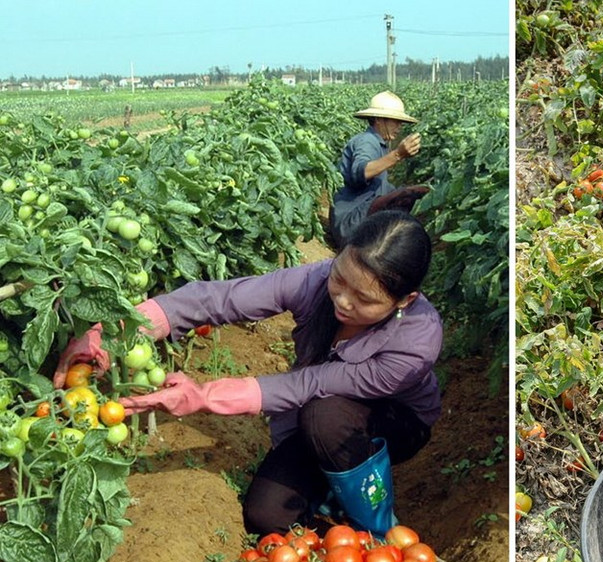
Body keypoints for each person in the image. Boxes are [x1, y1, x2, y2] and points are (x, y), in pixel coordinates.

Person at [54, 211, 442, 537]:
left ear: (404, 301)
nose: (342, 300)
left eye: (364, 299)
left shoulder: (416, 342)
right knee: (266, 516)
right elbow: (222, 298)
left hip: (393, 421)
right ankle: (334, 518)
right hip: (318, 413)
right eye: (339, 278)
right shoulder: (314, 281)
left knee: (324, 415)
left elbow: (311, 384)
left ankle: (377, 527)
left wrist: (203, 397)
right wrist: (113, 331)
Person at [329, 91, 429, 250]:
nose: (399, 127)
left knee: (408, 194)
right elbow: (362, 172)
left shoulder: (379, 144)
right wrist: (398, 154)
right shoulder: (367, 141)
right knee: (403, 197)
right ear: (378, 119)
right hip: (350, 224)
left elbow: (381, 188)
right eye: (396, 121)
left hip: (354, 221)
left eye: (401, 122)